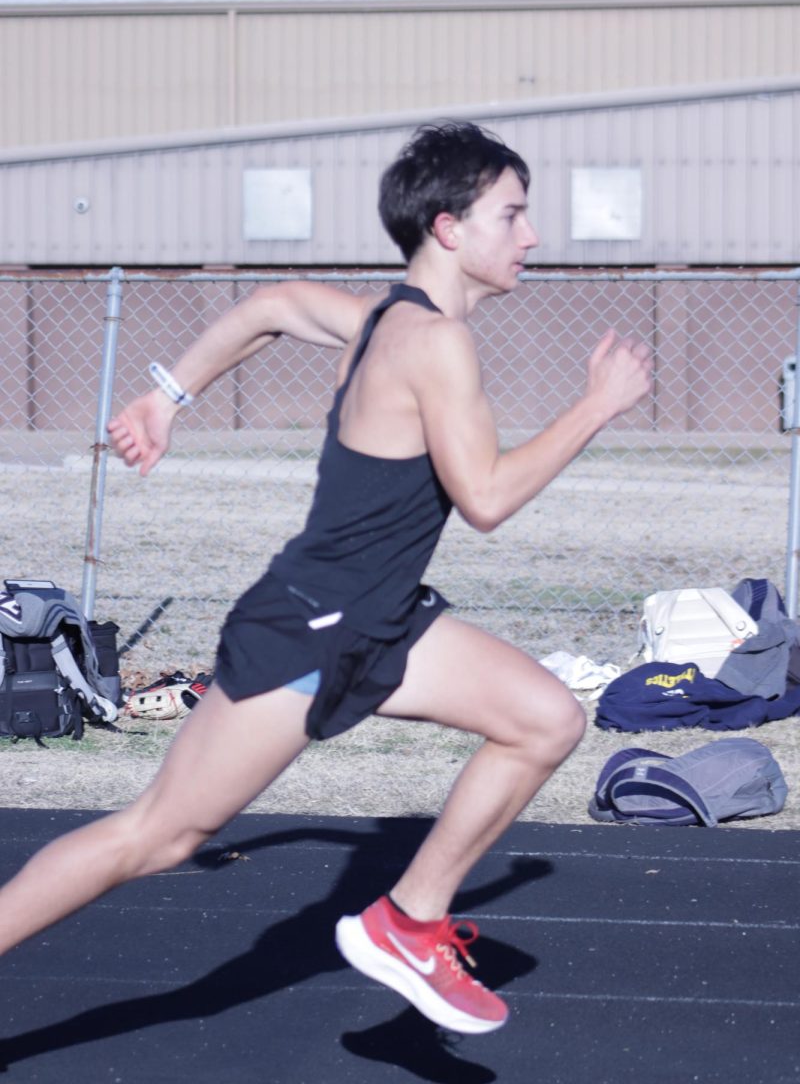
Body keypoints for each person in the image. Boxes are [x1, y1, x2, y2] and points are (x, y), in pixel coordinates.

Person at [0, 122, 652, 1036]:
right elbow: (489, 499)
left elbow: (270, 304)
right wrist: (595, 406)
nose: (532, 235)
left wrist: (166, 397)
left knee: (546, 718)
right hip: (309, 629)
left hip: (379, 622)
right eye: (514, 213)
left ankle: (408, 921)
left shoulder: (384, 318)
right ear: (449, 227)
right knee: (156, 836)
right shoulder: (433, 344)